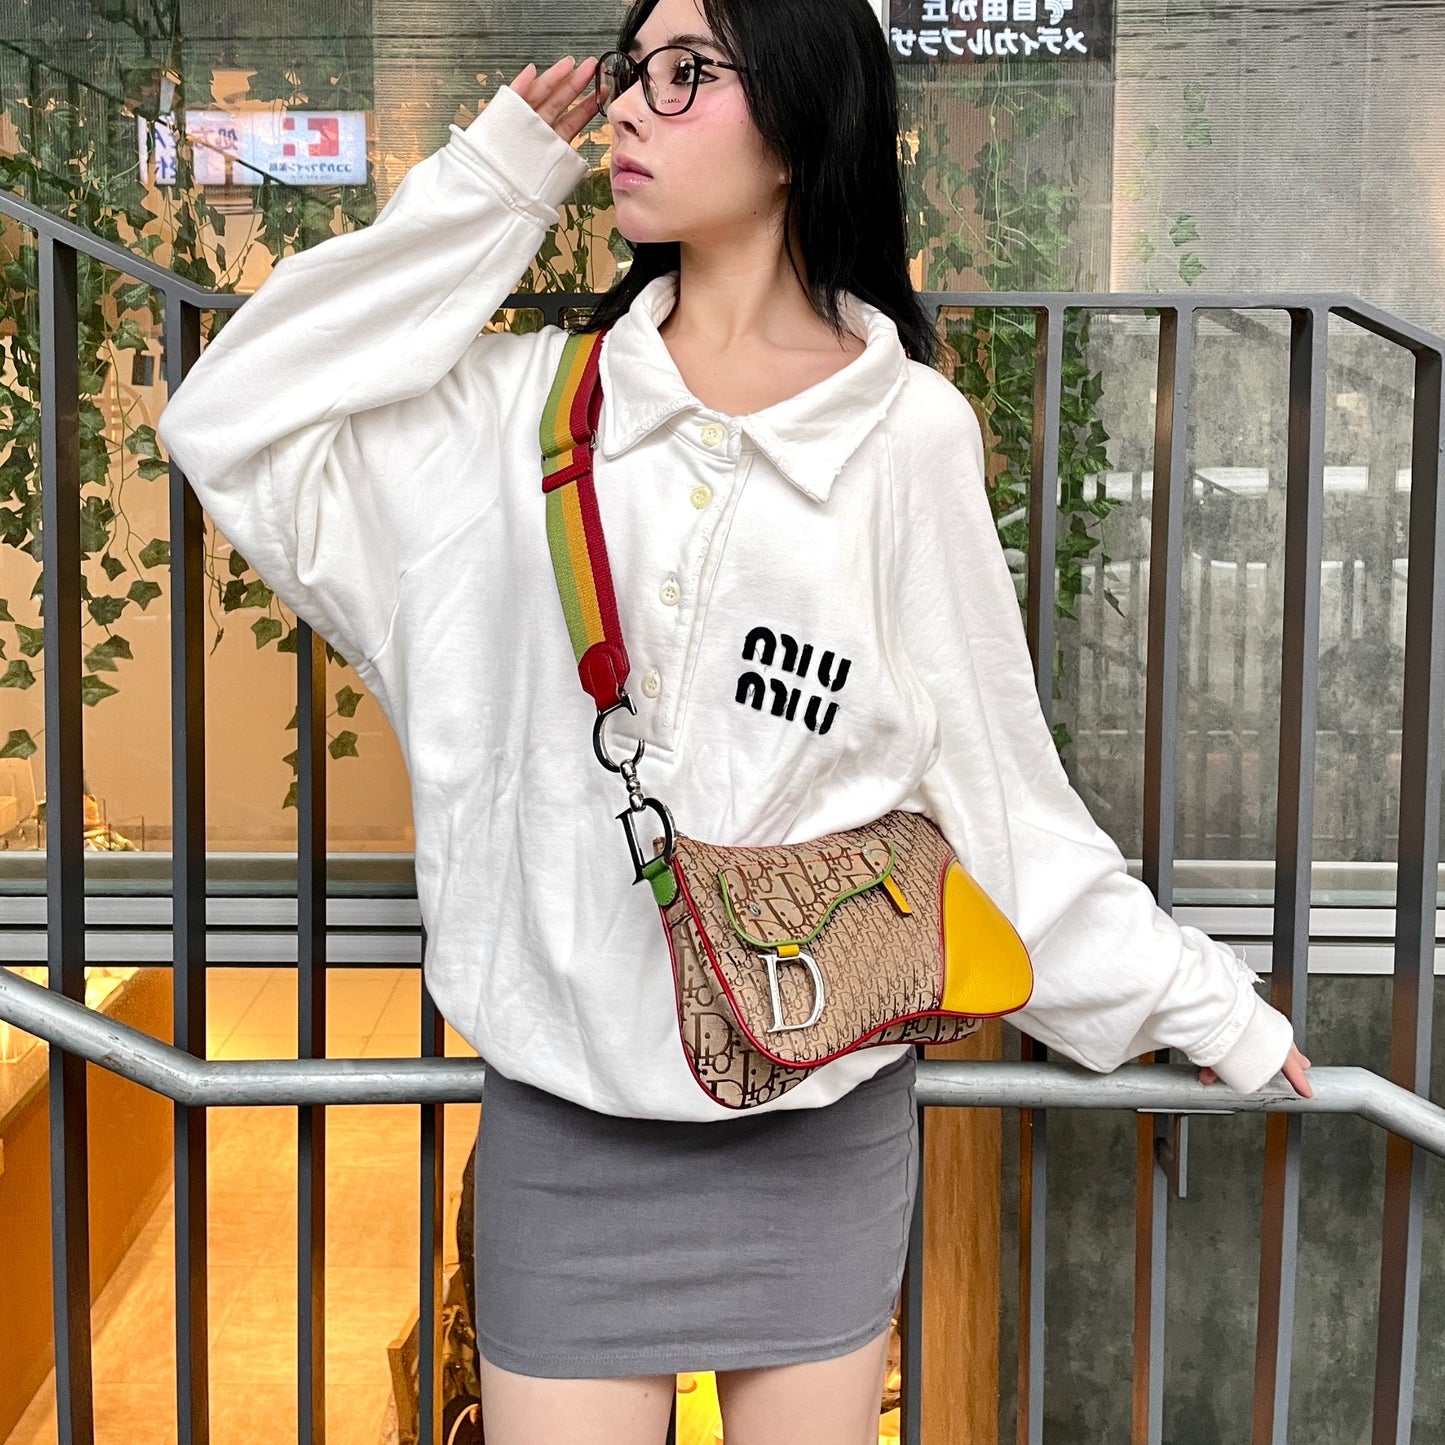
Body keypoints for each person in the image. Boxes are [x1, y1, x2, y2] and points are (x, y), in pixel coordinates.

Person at [156, 0, 1313, 1440]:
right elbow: (233, 415)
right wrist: (494, 183)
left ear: (796, 129)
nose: (632, 107)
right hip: (566, 1132)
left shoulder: (905, 437)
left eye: (688, 73)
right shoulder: (516, 417)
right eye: (631, 70)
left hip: (815, 1133)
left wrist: (1211, 1011)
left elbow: (997, 797)